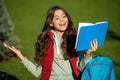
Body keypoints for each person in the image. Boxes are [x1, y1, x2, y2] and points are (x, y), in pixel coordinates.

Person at [3, 6, 98, 80]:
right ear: (50, 23)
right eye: (57, 18)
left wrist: (88, 54)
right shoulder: (44, 41)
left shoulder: (76, 38)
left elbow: (80, 68)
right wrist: (20, 55)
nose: (62, 20)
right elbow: (37, 72)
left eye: (64, 16)